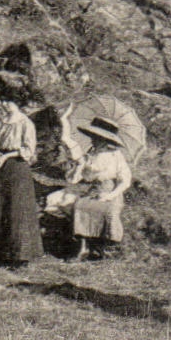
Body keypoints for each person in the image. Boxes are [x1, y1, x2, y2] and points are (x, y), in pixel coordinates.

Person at [50, 112, 134, 262]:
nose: (93, 140)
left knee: (90, 208)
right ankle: (83, 247)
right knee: (77, 205)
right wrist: (80, 165)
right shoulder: (91, 155)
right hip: (93, 191)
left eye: (98, 138)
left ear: (106, 140)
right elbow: (76, 180)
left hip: (110, 193)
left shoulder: (116, 156)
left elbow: (125, 181)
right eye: (93, 137)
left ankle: (97, 247)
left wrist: (109, 195)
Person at [0, 101, 43, 266]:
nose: (4, 104)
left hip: (18, 167)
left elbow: (28, 149)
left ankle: (20, 257)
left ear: (17, 103)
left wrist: (6, 156)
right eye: (2, 100)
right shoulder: (1, 121)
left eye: (8, 101)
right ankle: (0, 254)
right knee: (1, 207)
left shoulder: (26, 123)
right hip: (1, 168)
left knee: (18, 209)